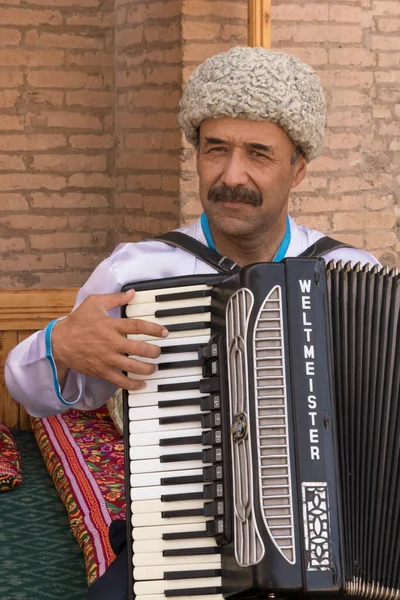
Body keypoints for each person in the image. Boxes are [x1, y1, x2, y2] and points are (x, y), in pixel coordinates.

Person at [5, 47, 379, 599]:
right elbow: (26, 389)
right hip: (180, 548)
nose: (232, 176)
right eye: (216, 150)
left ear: (298, 168)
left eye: (258, 154)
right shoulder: (139, 269)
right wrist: (61, 344)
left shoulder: (351, 277)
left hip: (336, 553)